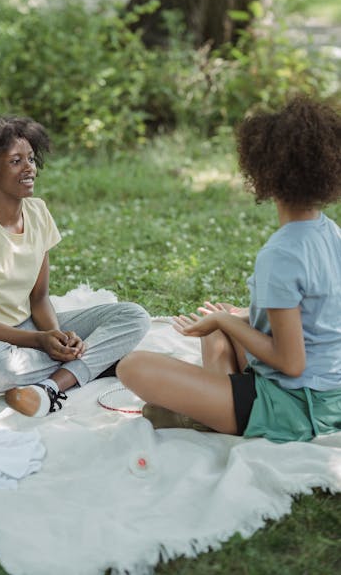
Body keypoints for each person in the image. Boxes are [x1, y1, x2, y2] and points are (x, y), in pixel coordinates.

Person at [117, 97, 341, 442]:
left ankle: (213, 414)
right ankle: (212, 408)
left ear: (264, 172)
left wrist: (226, 322)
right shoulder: (330, 231)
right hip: (326, 393)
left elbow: (292, 362)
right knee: (219, 320)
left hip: (297, 407)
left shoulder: (281, 253)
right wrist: (235, 317)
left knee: (133, 366)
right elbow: (318, 318)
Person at [0, 116, 150, 418]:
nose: (29, 168)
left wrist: (56, 336)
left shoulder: (38, 212)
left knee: (134, 316)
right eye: (15, 161)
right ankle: (96, 361)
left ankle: (51, 387)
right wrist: (41, 341)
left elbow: (39, 298)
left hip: (28, 328)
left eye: (31, 159)